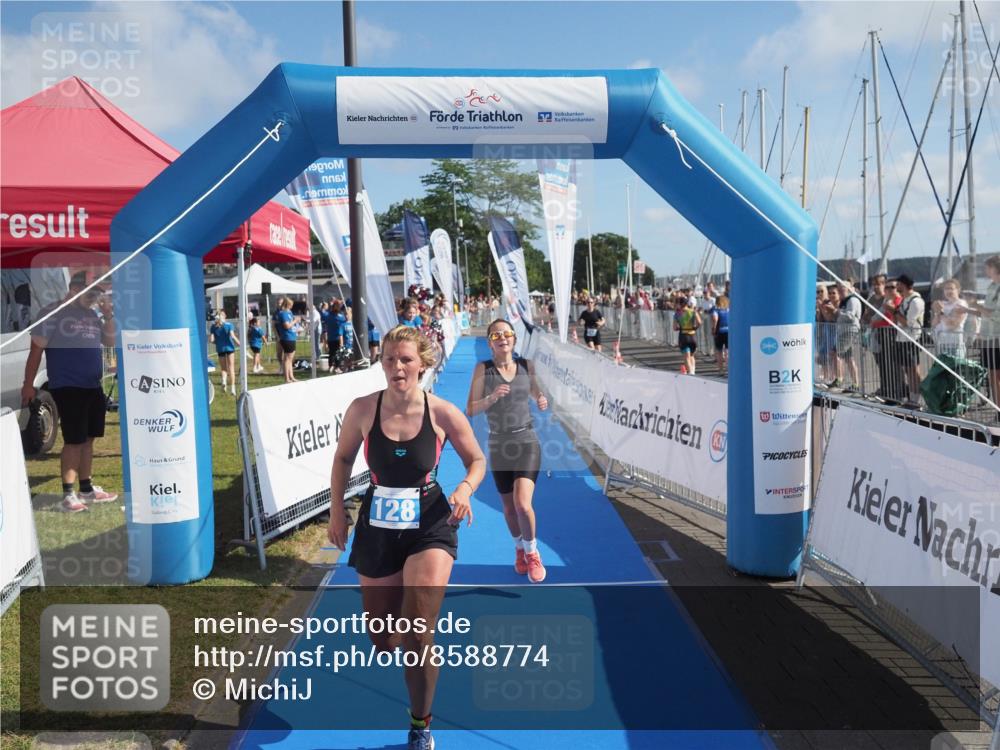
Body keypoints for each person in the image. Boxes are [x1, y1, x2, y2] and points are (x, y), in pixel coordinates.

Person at [327, 325, 485, 750]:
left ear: (422, 363)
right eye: (390, 359)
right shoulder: (362, 409)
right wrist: (337, 510)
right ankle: (409, 639)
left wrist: (465, 489)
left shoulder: (442, 412)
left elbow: (476, 459)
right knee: (382, 638)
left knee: (417, 633)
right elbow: (342, 458)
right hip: (378, 527)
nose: (397, 367)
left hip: (430, 524)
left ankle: (421, 724)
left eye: (406, 359)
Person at [21, 272, 118, 512]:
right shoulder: (52, 313)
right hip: (68, 386)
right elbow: (35, 351)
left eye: (98, 293)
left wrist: (108, 315)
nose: (96, 297)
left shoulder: (93, 315)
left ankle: (86, 488)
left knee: (88, 438)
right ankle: (68, 494)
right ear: (74, 288)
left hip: (92, 385)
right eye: (92, 292)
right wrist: (28, 383)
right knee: (74, 441)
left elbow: (109, 341)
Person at [466, 319, 549, 583]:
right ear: (490, 342)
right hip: (498, 444)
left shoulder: (526, 365)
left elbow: (536, 391)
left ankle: (533, 553)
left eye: (507, 334)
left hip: (526, 441)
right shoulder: (483, 369)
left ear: (514, 339)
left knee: (522, 504)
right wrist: (490, 399)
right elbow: (470, 409)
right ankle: (519, 549)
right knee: (509, 509)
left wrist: (541, 398)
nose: (503, 338)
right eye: (496, 335)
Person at [971, 255, 1000, 419]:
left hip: (997, 337)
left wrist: (977, 306)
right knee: (993, 376)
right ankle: (998, 410)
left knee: (995, 376)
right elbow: (987, 314)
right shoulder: (991, 286)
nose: (986, 271)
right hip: (989, 337)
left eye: (988, 267)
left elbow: (997, 315)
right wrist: (971, 310)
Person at [892, 274, 926, 410]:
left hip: (912, 339)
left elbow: (907, 323)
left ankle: (917, 399)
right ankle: (912, 398)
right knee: (907, 369)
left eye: (898, 284)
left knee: (913, 370)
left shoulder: (916, 301)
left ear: (904, 285)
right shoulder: (904, 300)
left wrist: (893, 312)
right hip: (901, 338)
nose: (896, 287)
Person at [834, 279, 862, 392]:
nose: (841, 291)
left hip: (850, 330)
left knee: (837, 353)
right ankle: (855, 384)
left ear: (850, 289)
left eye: (843, 289)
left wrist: (837, 312)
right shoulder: (844, 300)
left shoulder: (853, 300)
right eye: (839, 289)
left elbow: (851, 316)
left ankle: (839, 379)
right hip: (845, 331)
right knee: (848, 357)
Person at [932, 279, 970, 358]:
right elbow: (934, 324)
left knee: (955, 370)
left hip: (955, 346)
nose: (948, 291)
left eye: (951, 288)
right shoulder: (943, 304)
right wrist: (938, 312)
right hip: (941, 344)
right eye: (946, 289)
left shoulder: (961, 304)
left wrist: (941, 312)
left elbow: (952, 325)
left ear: (958, 290)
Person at [209, 311, 240, 396]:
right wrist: (240, 343)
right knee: (231, 368)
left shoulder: (213, 326)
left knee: (223, 368)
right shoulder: (229, 325)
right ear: (224, 316)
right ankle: (233, 389)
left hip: (220, 348)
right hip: (229, 348)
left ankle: (224, 381)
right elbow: (232, 336)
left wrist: (218, 342)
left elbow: (211, 340)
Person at [674, 296, 702, 375]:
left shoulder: (677, 314)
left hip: (683, 336)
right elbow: (699, 322)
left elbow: (674, 327)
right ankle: (693, 371)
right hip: (692, 336)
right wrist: (695, 328)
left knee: (686, 356)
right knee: (692, 355)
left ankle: (690, 373)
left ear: (679, 304)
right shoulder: (693, 312)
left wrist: (680, 327)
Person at [275, 297, 299, 383]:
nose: (292, 306)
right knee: (287, 359)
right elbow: (287, 326)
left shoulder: (289, 312)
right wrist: (295, 321)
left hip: (291, 336)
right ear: (287, 304)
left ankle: (291, 376)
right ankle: (287, 378)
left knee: (290, 359)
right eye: (291, 305)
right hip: (286, 337)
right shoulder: (283, 313)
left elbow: (292, 325)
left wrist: (297, 327)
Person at [711, 294, 730, 375]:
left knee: (719, 351)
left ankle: (721, 370)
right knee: (727, 351)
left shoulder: (716, 310)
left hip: (719, 331)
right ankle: (729, 369)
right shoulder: (729, 309)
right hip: (729, 331)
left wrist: (714, 329)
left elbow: (715, 319)